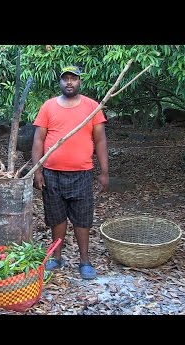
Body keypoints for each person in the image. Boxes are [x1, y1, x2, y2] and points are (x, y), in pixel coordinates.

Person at [31, 65, 109, 280]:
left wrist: (104, 171)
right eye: (65, 79)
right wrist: (37, 171)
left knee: (82, 219)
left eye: (73, 78)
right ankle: (57, 258)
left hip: (82, 173)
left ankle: (85, 261)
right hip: (52, 173)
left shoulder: (93, 107)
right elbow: (38, 140)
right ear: (60, 82)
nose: (69, 82)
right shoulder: (48, 107)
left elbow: (100, 140)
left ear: (80, 82)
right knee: (56, 217)